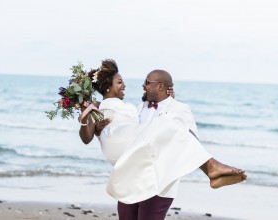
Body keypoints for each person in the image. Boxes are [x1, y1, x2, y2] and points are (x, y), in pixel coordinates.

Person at [79, 60, 247, 220]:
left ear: (160, 86)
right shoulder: (136, 109)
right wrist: (97, 124)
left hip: (159, 182)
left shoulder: (179, 109)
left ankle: (212, 168)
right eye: (120, 82)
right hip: (131, 175)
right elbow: (120, 130)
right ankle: (211, 167)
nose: (142, 86)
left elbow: (190, 139)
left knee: (172, 123)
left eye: (147, 82)